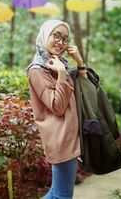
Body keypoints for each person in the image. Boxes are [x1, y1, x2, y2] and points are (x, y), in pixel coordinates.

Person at [27, 19, 87, 199]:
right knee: (62, 195)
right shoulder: (37, 70)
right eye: (56, 36)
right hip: (60, 139)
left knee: (57, 192)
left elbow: (84, 92)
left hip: (69, 136)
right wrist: (61, 74)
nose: (61, 42)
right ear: (45, 36)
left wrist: (79, 62)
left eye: (65, 39)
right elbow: (58, 107)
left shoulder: (59, 64)